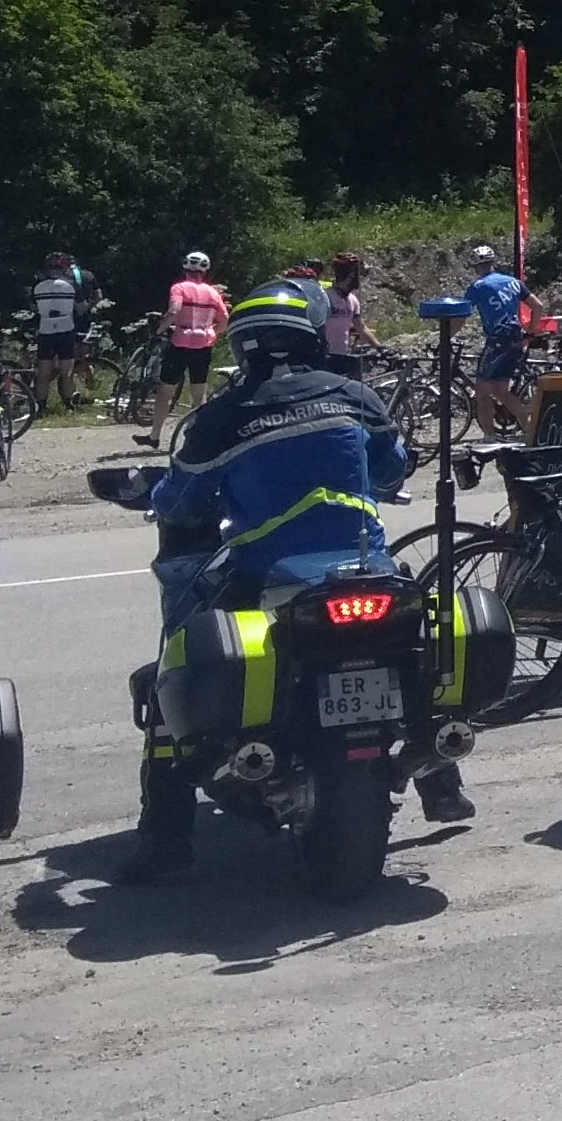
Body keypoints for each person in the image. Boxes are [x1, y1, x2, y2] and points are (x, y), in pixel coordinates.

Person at [129, 283, 463, 877]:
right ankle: (442, 783)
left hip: (265, 572)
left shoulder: (223, 415)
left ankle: (165, 839)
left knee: (170, 671)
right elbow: (392, 471)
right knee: (418, 637)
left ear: (243, 345)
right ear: (310, 336)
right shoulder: (355, 395)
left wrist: (159, 496)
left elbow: (179, 500)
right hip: (367, 567)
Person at [149, 251, 230, 439]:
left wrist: (159, 330)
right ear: (205, 271)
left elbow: (174, 311)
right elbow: (225, 319)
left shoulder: (179, 288)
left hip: (180, 342)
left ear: (185, 267)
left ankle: (155, 435)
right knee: (199, 392)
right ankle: (199, 434)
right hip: (204, 344)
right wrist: (211, 331)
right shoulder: (213, 292)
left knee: (165, 390)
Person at [461, 242, 530, 433]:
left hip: (497, 341)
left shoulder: (478, 287)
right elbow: (537, 305)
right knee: (500, 390)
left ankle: (490, 436)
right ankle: (529, 428)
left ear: (475, 266)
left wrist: (447, 336)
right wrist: (530, 333)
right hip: (516, 337)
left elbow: (461, 316)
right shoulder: (513, 282)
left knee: (482, 391)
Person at [31, 247, 96, 409]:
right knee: (67, 370)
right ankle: (68, 404)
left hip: (45, 329)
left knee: (43, 371)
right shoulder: (71, 285)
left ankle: (41, 405)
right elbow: (81, 308)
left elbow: (34, 308)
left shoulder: (38, 285)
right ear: (64, 267)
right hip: (66, 329)